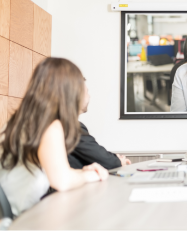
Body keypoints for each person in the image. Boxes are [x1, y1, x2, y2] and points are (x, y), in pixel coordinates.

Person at [0, 58, 109, 217]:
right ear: (69, 92)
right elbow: (61, 181)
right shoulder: (50, 126)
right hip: (23, 221)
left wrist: (82, 172)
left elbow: (59, 173)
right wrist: (92, 175)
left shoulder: (17, 122)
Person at [68, 81, 131, 169]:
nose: (89, 96)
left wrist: (114, 158)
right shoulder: (71, 127)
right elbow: (103, 159)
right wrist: (117, 161)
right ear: (77, 96)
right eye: (87, 92)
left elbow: (94, 155)